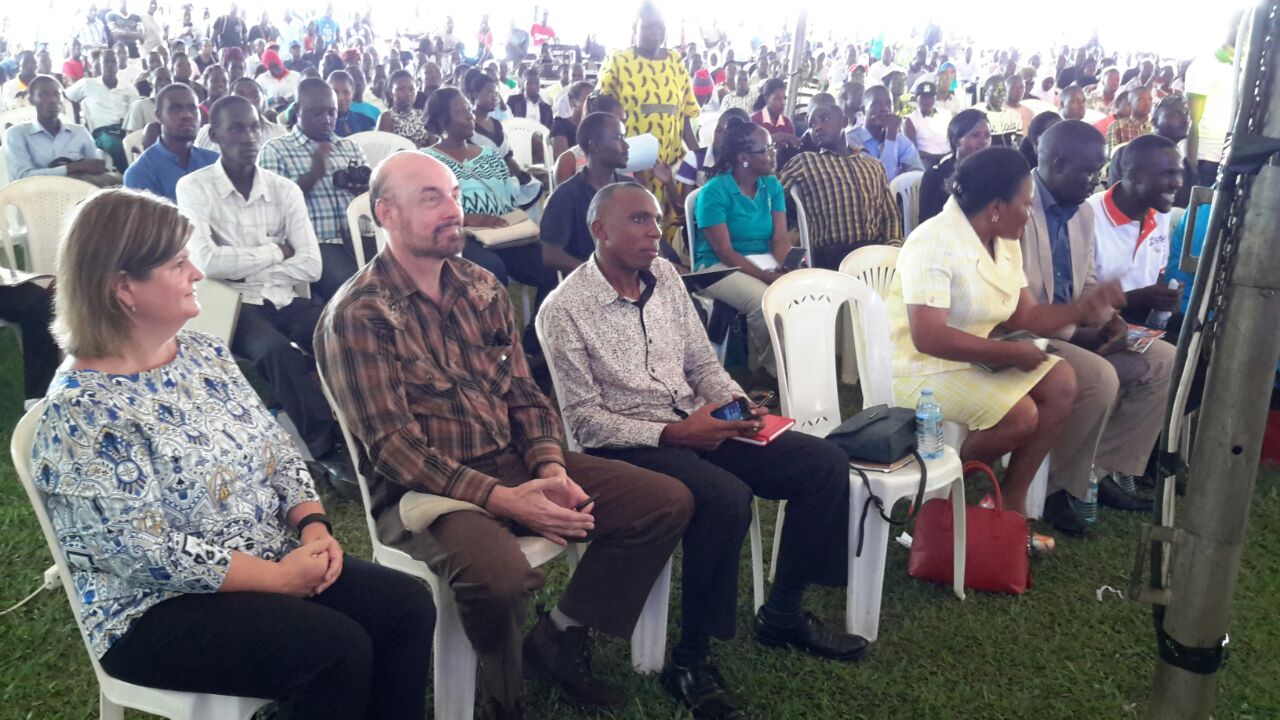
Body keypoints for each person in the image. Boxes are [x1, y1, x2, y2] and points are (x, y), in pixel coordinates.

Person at [31, 187, 434, 720]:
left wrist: (313, 527)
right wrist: (280, 580)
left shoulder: (202, 353)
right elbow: (146, 551)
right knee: (333, 651)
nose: (197, 273)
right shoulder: (83, 410)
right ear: (123, 287)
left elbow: (277, 453)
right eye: (178, 263)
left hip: (268, 555)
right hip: (154, 609)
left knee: (405, 605)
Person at [314, 151, 692, 719]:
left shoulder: (481, 285)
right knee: (502, 578)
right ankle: (502, 697)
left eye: (455, 196)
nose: (453, 211)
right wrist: (502, 499)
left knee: (664, 502)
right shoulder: (359, 314)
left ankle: (558, 639)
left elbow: (523, 395)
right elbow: (392, 447)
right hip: (422, 492)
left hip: (510, 462)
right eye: (431, 198)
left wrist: (550, 470)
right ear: (385, 213)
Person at [539, 182, 868, 720]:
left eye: (655, 219)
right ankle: (691, 658)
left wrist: (738, 409)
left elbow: (702, 363)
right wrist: (674, 435)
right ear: (599, 230)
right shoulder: (565, 309)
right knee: (725, 497)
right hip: (634, 444)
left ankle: (782, 613)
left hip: (700, 421)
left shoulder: (666, 276)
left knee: (823, 463)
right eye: (639, 221)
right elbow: (585, 422)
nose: (654, 232)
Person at [887, 147, 1123, 516]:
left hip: (970, 358)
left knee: (1062, 380)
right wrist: (1010, 353)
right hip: (920, 367)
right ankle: (943, 488)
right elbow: (928, 337)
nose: (1030, 215)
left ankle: (1009, 499)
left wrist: (1081, 308)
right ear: (997, 206)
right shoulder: (933, 241)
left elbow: (1025, 315)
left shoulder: (1003, 242)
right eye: (1026, 205)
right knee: (1021, 415)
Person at [178, 94, 358, 496]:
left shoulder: (284, 190)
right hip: (231, 302)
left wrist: (242, 261)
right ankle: (326, 448)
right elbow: (207, 264)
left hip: (283, 295)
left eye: (253, 126)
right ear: (216, 135)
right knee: (275, 351)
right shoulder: (194, 188)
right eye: (236, 128)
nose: (248, 136)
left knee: (342, 332)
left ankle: (363, 431)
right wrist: (277, 250)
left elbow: (311, 265)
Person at [1020, 121, 1169, 534]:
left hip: (1075, 328)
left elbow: (1084, 282)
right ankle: (1056, 489)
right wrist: (1077, 333)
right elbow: (1018, 302)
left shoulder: (1081, 212)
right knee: (1098, 376)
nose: (1097, 181)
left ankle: (1099, 472)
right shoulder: (1017, 205)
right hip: (1027, 334)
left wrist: (1112, 322)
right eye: (1089, 171)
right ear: (1056, 162)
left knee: (1165, 361)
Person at [423, 87, 555, 314]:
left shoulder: (490, 154)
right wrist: (467, 219)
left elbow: (508, 199)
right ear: (443, 120)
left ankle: (534, 336)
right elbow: (428, 208)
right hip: (460, 235)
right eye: (461, 111)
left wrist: (507, 220)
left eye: (468, 109)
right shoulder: (428, 160)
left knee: (550, 264)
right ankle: (496, 336)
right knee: (491, 269)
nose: (470, 115)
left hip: (501, 232)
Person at [693, 118, 790, 377]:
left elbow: (780, 238)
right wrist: (767, 277)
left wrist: (781, 269)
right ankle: (766, 372)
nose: (773, 154)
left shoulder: (771, 185)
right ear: (744, 158)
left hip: (764, 261)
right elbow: (724, 251)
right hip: (717, 268)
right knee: (764, 301)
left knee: (798, 288)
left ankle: (796, 359)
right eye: (766, 149)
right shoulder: (714, 192)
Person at [258, 77, 370, 300]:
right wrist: (312, 176)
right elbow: (274, 214)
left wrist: (364, 191)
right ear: (298, 110)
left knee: (399, 278)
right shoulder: (277, 150)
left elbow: (371, 200)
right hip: (316, 243)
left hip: (360, 237)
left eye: (332, 112)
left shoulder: (350, 147)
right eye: (317, 113)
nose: (326, 119)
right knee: (357, 293)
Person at [597, 2, 701, 206]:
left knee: (670, 227)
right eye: (647, 27)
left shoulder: (675, 61)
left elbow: (685, 116)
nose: (655, 33)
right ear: (635, 28)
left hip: (671, 167)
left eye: (660, 27)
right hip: (632, 167)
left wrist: (700, 159)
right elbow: (602, 116)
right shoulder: (618, 61)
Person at [779, 103, 903, 269]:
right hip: (833, 255)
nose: (818, 127)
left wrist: (892, 250)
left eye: (824, 119)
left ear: (844, 122)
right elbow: (774, 198)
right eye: (812, 125)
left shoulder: (873, 165)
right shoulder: (805, 162)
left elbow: (890, 215)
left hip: (874, 252)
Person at [1087, 134, 1184, 324]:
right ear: (1133, 175)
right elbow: (1077, 303)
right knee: (1174, 353)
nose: (1178, 182)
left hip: (1142, 322)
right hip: (1098, 324)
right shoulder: (1088, 217)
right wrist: (1138, 298)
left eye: (1179, 173)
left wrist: (1165, 297)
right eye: (1167, 173)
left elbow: (1156, 274)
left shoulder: (1159, 213)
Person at [541, 112, 636, 276]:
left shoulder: (631, 189)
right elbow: (550, 254)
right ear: (595, 146)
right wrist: (599, 272)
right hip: (589, 287)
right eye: (618, 138)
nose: (626, 145)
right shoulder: (567, 195)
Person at [4, 75, 120, 186]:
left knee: (124, 183)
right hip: (37, 199)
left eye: (56, 94)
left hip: (82, 194)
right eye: (44, 95)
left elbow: (96, 167)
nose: (52, 100)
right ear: (31, 100)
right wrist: (74, 167)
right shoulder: (17, 134)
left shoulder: (79, 132)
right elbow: (23, 177)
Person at [123, 83, 217, 200]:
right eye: (176, 109)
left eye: (192, 108)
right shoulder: (140, 172)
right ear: (158, 115)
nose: (187, 115)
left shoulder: (214, 162)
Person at [1109, 95, 1194, 206]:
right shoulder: (1126, 154)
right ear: (1154, 122)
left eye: (1186, 114)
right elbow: (1116, 201)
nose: (1185, 120)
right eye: (1176, 114)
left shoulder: (1187, 167)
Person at [65, 49, 139, 170]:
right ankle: (128, 177)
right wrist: (76, 120)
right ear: (100, 65)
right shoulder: (87, 84)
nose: (110, 65)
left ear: (117, 65)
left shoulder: (128, 88)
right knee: (115, 146)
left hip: (124, 130)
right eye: (106, 62)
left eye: (113, 62)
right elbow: (66, 97)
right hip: (101, 132)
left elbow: (135, 112)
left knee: (139, 143)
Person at [918, 109, 990, 222]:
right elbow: (928, 224)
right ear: (956, 141)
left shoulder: (994, 175)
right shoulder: (935, 177)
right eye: (976, 135)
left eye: (987, 135)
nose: (984, 141)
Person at [848, 85, 924, 182]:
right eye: (876, 104)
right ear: (863, 111)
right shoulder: (852, 141)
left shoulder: (901, 141)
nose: (884, 109)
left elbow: (918, 175)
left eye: (889, 104)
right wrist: (890, 138)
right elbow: (882, 180)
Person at [195, 76, 287, 151]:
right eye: (240, 95)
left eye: (254, 94)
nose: (248, 100)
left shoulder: (279, 133)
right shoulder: (207, 133)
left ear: (264, 101)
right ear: (229, 100)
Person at [377, 69, 434, 147]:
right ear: (391, 93)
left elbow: (433, 147)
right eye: (400, 89)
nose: (407, 94)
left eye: (412, 89)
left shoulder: (423, 115)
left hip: (423, 157)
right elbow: (385, 149)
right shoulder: (387, 117)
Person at [905, 80, 953, 167]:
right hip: (926, 159)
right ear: (917, 98)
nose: (927, 100)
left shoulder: (946, 114)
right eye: (923, 97)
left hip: (948, 156)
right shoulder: (911, 120)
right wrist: (937, 157)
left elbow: (954, 137)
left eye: (930, 97)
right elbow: (912, 150)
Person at [549, 80, 593, 162]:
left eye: (593, 100)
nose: (591, 104)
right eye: (587, 100)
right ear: (573, 102)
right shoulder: (560, 125)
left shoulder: (594, 127)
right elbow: (563, 160)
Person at [750, 78, 799, 148]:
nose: (782, 103)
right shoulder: (754, 120)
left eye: (784, 98)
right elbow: (755, 146)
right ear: (766, 98)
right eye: (777, 98)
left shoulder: (787, 123)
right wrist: (781, 136)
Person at [1106, 86, 1153, 156]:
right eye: (1140, 100)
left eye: (1150, 99)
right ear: (1129, 104)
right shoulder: (1117, 127)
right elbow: (1113, 157)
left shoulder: (1155, 127)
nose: (1147, 104)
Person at [327, 70, 375, 136]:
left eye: (346, 92)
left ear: (352, 93)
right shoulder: (324, 125)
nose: (341, 98)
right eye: (335, 92)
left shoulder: (367, 122)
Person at [123, 66, 169, 132]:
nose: (163, 83)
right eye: (159, 80)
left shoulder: (178, 107)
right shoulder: (140, 106)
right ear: (150, 84)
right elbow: (131, 137)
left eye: (168, 80)